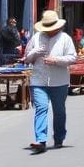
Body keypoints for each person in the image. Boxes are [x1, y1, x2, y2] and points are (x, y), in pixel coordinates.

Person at [23, 10, 77, 153]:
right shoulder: (36, 38)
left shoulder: (65, 39)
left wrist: (56, 60)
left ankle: (59, 137)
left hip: (59, 81)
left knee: (59, 111)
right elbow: (26, 58)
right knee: (41, 108)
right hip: (38, 80)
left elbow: (73, 58)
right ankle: (40, 140)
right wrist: (35, 53)